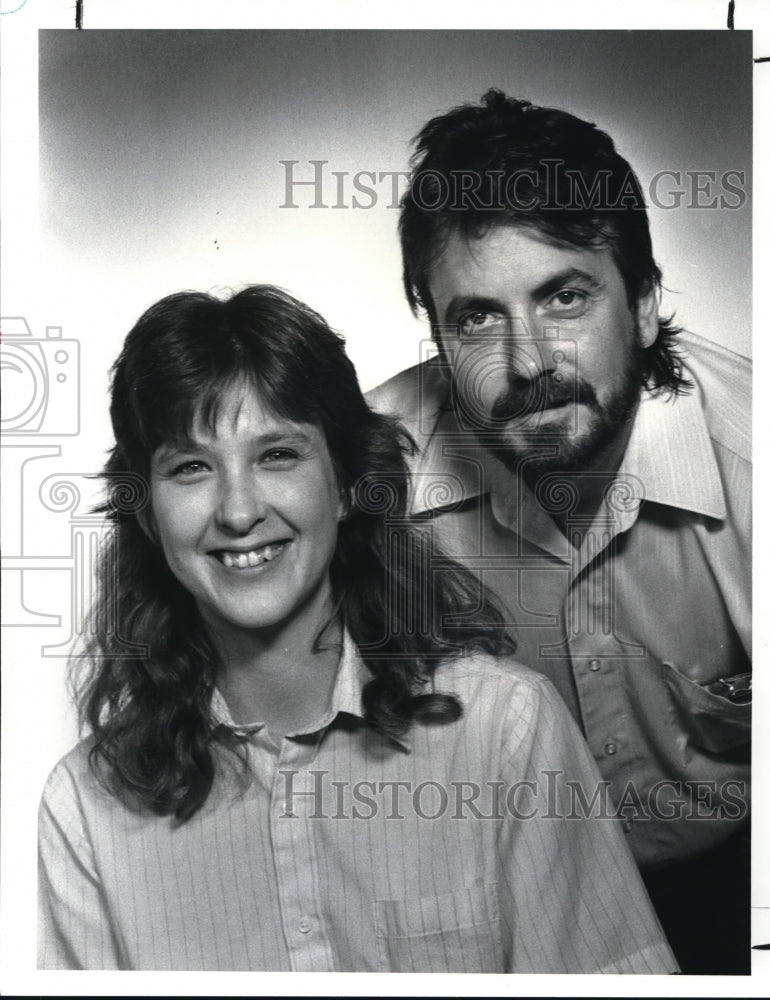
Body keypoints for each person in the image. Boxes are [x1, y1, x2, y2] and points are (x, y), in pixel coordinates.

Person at [38, 284, 676, 973]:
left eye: (277, 455)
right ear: (146, 511)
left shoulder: (506, 735)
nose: (238, 510)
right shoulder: (86, 811)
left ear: (346, 483)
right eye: (191, 467)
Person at [367, 90, 751, 975]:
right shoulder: (365, 475)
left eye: (565, 298)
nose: (529, 361)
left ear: (647, 304)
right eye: (477, 317)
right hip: (490, 904)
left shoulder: (758, 464)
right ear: (436, 330)